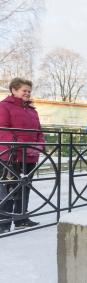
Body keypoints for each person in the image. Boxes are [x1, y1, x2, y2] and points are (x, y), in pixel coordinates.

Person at [0, 78, 45, 233]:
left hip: (31, 155)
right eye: (24, 90)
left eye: (29, 91)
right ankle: (3, 223)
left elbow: (39, 131)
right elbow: (3, 128)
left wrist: (40, 145)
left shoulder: (32, 110)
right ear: (14, 90)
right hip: (12, 155)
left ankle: (21, 219)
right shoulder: (4, 106)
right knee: (9, 189)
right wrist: (20, 145)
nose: (27, 93)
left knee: (25, 187)